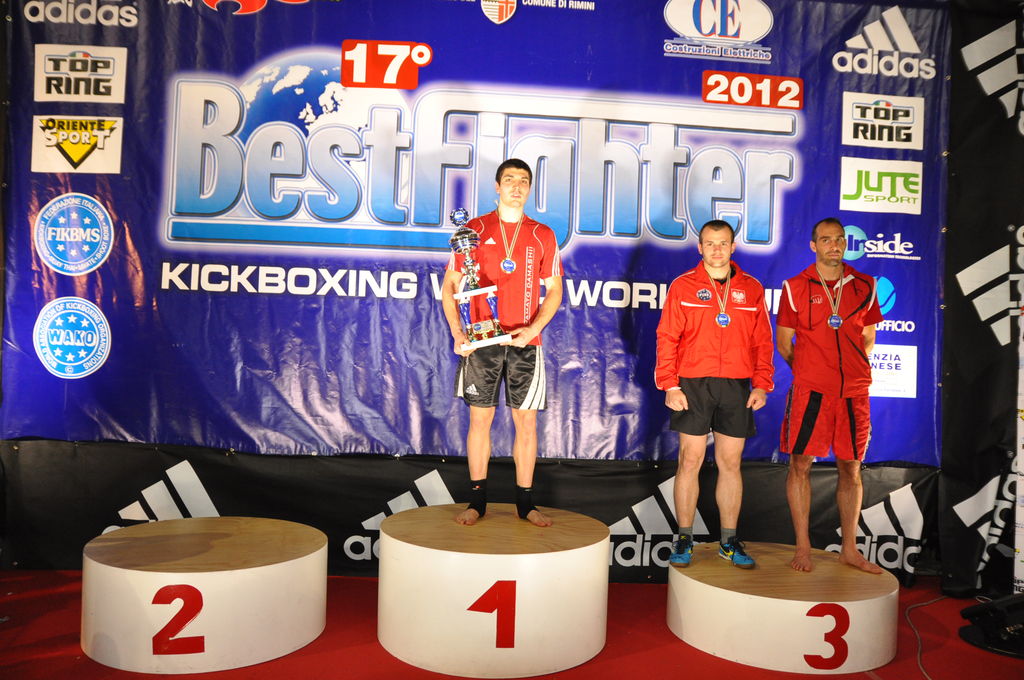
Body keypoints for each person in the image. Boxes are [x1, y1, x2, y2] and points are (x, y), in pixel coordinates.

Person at [441, 159, 563, 527]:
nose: (517, 186)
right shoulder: (473, 230)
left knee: (526, 423)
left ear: (530, 189)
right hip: (482, 341)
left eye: (524, 180)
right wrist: (458, 333)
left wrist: (533, 327)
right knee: (480, 420)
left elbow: (555, 290)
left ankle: (525, 503)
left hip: (526, 341)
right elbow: (450, 286)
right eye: (509, 179)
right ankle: (477, 501)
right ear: (497, 186)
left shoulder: (543, 234)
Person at [655, 219, 774, 568]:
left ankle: (728, 542)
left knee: (730, 463)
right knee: (689, 461)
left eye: (723, 243)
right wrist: (670, 385)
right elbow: (667, 337)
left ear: (733, 247)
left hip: (736, 385)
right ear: (700, 248)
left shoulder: (751, 288)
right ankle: (684, 538)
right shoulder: (683, 285)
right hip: (693, 383)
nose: (717, 249)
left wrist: (762, 383)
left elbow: (762, 340)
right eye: (710, 243)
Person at [776, 217, 884, 574]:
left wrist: (849, 369)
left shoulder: (865, 285)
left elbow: (868, 337)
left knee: (851, 468)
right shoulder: (795, 287)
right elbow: (784, 343)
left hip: (854, 391)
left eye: (839, 239)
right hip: (811, 391)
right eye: (826, 240)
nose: (834, 245)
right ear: (814, 245)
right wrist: (811, 370)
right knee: (800, 464)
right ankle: (802, 546)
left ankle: (849, 549)